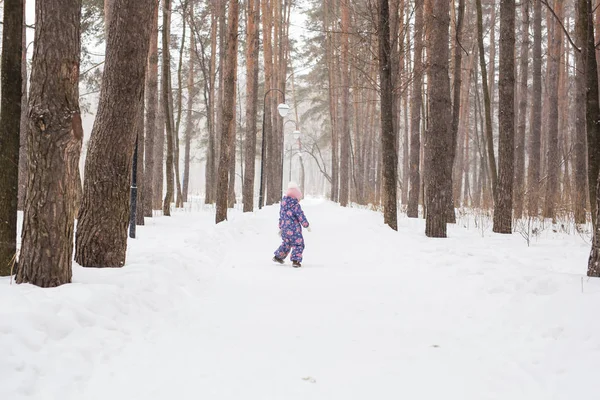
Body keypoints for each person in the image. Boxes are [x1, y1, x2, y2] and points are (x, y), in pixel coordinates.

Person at [273, 182, 310, 268]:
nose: (299, 200)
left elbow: (281, 216)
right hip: (294, 230)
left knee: (286, 243)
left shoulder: (283, 205)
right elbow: (301, 216)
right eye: (298, 198)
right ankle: (295, 261)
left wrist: (281, 227)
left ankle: (278, 256)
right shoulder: (295, 205)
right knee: (298, 244)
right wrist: (306, 225)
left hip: (285, 229)